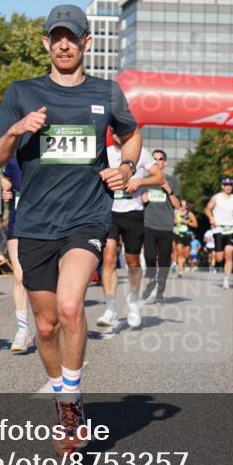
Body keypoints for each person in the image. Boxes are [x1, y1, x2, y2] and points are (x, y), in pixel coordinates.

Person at [0, 3, 140, 454]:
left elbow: (131, 134)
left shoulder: (107, 94)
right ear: (46, 44)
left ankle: (71, 408)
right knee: (47, 326)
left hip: (87, 217)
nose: (64, 44)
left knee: (71, 306)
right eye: (57, 37)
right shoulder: (22, 92)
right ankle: (62, 396)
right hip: (34, 223)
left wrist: (126, 166)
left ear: (87, 42)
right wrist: (17, 129)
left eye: (72, 36)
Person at [96, 133, 160, 330]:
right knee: (108, 258)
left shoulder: (141, 154)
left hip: (133, 213)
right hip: (110, 212)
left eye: (120, 130)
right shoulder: (104, 153)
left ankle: (133, 303)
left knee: (132, 261)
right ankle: (110, 309)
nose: (117, 135)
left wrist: (140, 182)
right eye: (113, 131)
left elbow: (160, 176)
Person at [1, 158, 33, 353]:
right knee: (19, 277)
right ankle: (22, 330)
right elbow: (5, 177)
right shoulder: (13, 159)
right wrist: (6, 189)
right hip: (18, 224)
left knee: (47, 280)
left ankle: (50, 327)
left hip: (46, 225)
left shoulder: (49, 152)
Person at [140, 150, 181, 304]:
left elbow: (177, 205)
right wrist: (142, 200)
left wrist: (169, 190)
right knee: (149, 257)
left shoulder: (172, 181)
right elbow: (136, 202)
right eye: (154, 159)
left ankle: (160, 291)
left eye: (160, 159)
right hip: (148, 224)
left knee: (164, 260)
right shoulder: (144, 180)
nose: (157, 161)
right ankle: (151, 281)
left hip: (166, 227)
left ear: (165, 162)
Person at [205, 177, 233, 290]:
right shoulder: (216, 197)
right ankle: (221, 266)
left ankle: (226, 280)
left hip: (231, 229)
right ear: (222, 186)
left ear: (232, 186)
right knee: (219, 258)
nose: (228, 187)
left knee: (229, 252)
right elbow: (207, 209)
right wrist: (211, 217)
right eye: (226, 184)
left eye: (230, 185)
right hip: (218, 229)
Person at [172, 199, 198, 276]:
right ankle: (180, 271)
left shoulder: (189, 214)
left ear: (186, 206)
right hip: (178, 235)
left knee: (185, 254)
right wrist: (174, 222)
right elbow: (171, 222)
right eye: (180, 205)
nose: (182, 207)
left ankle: (185, 261)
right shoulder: (176, 213)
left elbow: (196, 225)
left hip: (187, 235)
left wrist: (187, 222)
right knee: (180, 252)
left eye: (183, 205)